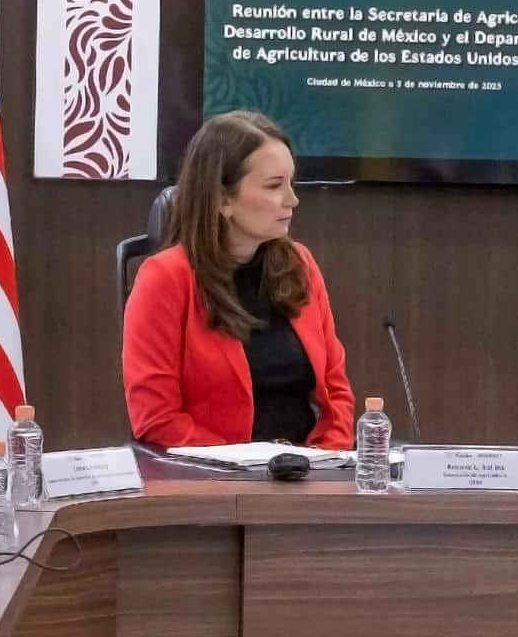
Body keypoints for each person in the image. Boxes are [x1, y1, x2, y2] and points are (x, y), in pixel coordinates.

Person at [123, 110, 354, 449]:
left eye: (291, 183)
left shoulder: (299, 264)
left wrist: (323, 459)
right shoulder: (165, 279)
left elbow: (336, 394)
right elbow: (157, 418)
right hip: (214, 483)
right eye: (275, 186)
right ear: (222, 199)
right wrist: (248, 470)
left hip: (307, 477)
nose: (292, 199)